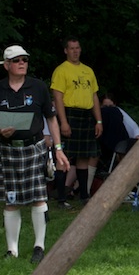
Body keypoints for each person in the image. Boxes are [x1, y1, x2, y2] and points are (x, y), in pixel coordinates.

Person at [0, 45, 70, 263]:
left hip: (34, 148)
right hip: (8, 150)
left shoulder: (38, 87)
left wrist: (58, 149)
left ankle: (39, 247)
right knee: (11, 200)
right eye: (16, 60)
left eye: (24, 59)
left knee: (38, 198)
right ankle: (12, 251)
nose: (22, 63)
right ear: (6, 65)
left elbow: (51, 119)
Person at [50, 37, 101, 205]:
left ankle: (84, 196)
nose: (75, 51)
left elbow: (94, 96)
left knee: (84, 157)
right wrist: (63, 122)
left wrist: (99, 121)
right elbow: (58, 98)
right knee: (64, 157)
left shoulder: (88, 71)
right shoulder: (61, 70)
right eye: (71, 48)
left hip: (86, 115)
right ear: (66, 50)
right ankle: (61, 198)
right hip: (69, 114)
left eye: (77, 48)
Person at [96, 89, 139, 171]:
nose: (108, 110)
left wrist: (137, 136)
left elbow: (132, 125)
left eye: (111, 107)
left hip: (118, 143)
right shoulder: (97, 113)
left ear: (115, 105)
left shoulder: (118, 112)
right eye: (105, 107)